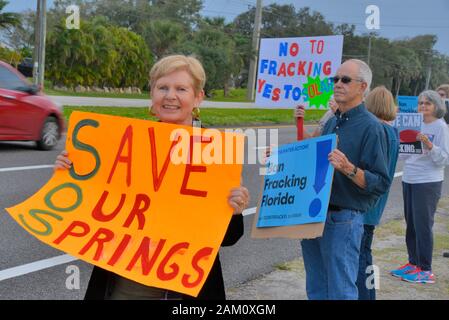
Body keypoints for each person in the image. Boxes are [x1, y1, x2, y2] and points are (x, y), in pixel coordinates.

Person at [54, 54, 250, 300]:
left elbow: (230, 238)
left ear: (198, 97)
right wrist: (69, 175)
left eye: (181, 88)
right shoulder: (123, 145)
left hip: (182, 293)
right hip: (122, 288)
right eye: (162, 87)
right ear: (152, 94)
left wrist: (235, 210)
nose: (170, 96)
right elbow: (91, 213)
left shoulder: (215, 151)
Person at [296, 59, 392, 300]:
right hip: (314, 215)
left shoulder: (371, 127)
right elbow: (313, 160)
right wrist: (281, 159)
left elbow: (380, 182)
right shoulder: (331, 122)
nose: (337, 84)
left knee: (341, 291)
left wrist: (349, 168)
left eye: (345, 80)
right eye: (335, 79)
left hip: (343, 219)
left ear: (362, 86)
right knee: (316, 289)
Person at [390, 90, 449, 283]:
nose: (423, 106)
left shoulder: (441, 127)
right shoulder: (415, 123)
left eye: (428, 103)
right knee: (411, 224)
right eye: (421, 103)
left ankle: (426, 269)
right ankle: (413, 263)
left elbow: (444, 159)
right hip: (410, 178)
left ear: (437, 106)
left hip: (428, 181)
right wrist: (399, 141)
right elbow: (405, 155)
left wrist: (429, 145)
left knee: (424, 225)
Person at [355, 86, 399, 300]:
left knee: (360, 258)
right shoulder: (393, 133)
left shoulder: (376, 131)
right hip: (377, 205)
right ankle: (371, 294)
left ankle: (365, 296)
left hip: (366, 204)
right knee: (366, 254)